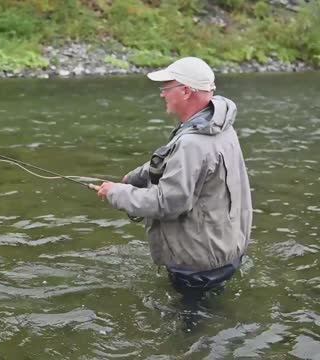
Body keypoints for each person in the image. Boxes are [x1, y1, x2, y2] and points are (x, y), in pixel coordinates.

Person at [95, 57, 252, 293]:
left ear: (187, 91)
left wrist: (117, 193)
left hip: (198, 266)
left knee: (192, 327)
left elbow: (168, 203)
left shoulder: (193, 142)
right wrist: (135, 177)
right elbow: (179, 162)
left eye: (167, 88)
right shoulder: (219, 126)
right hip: (225, 250)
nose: (162, 94)